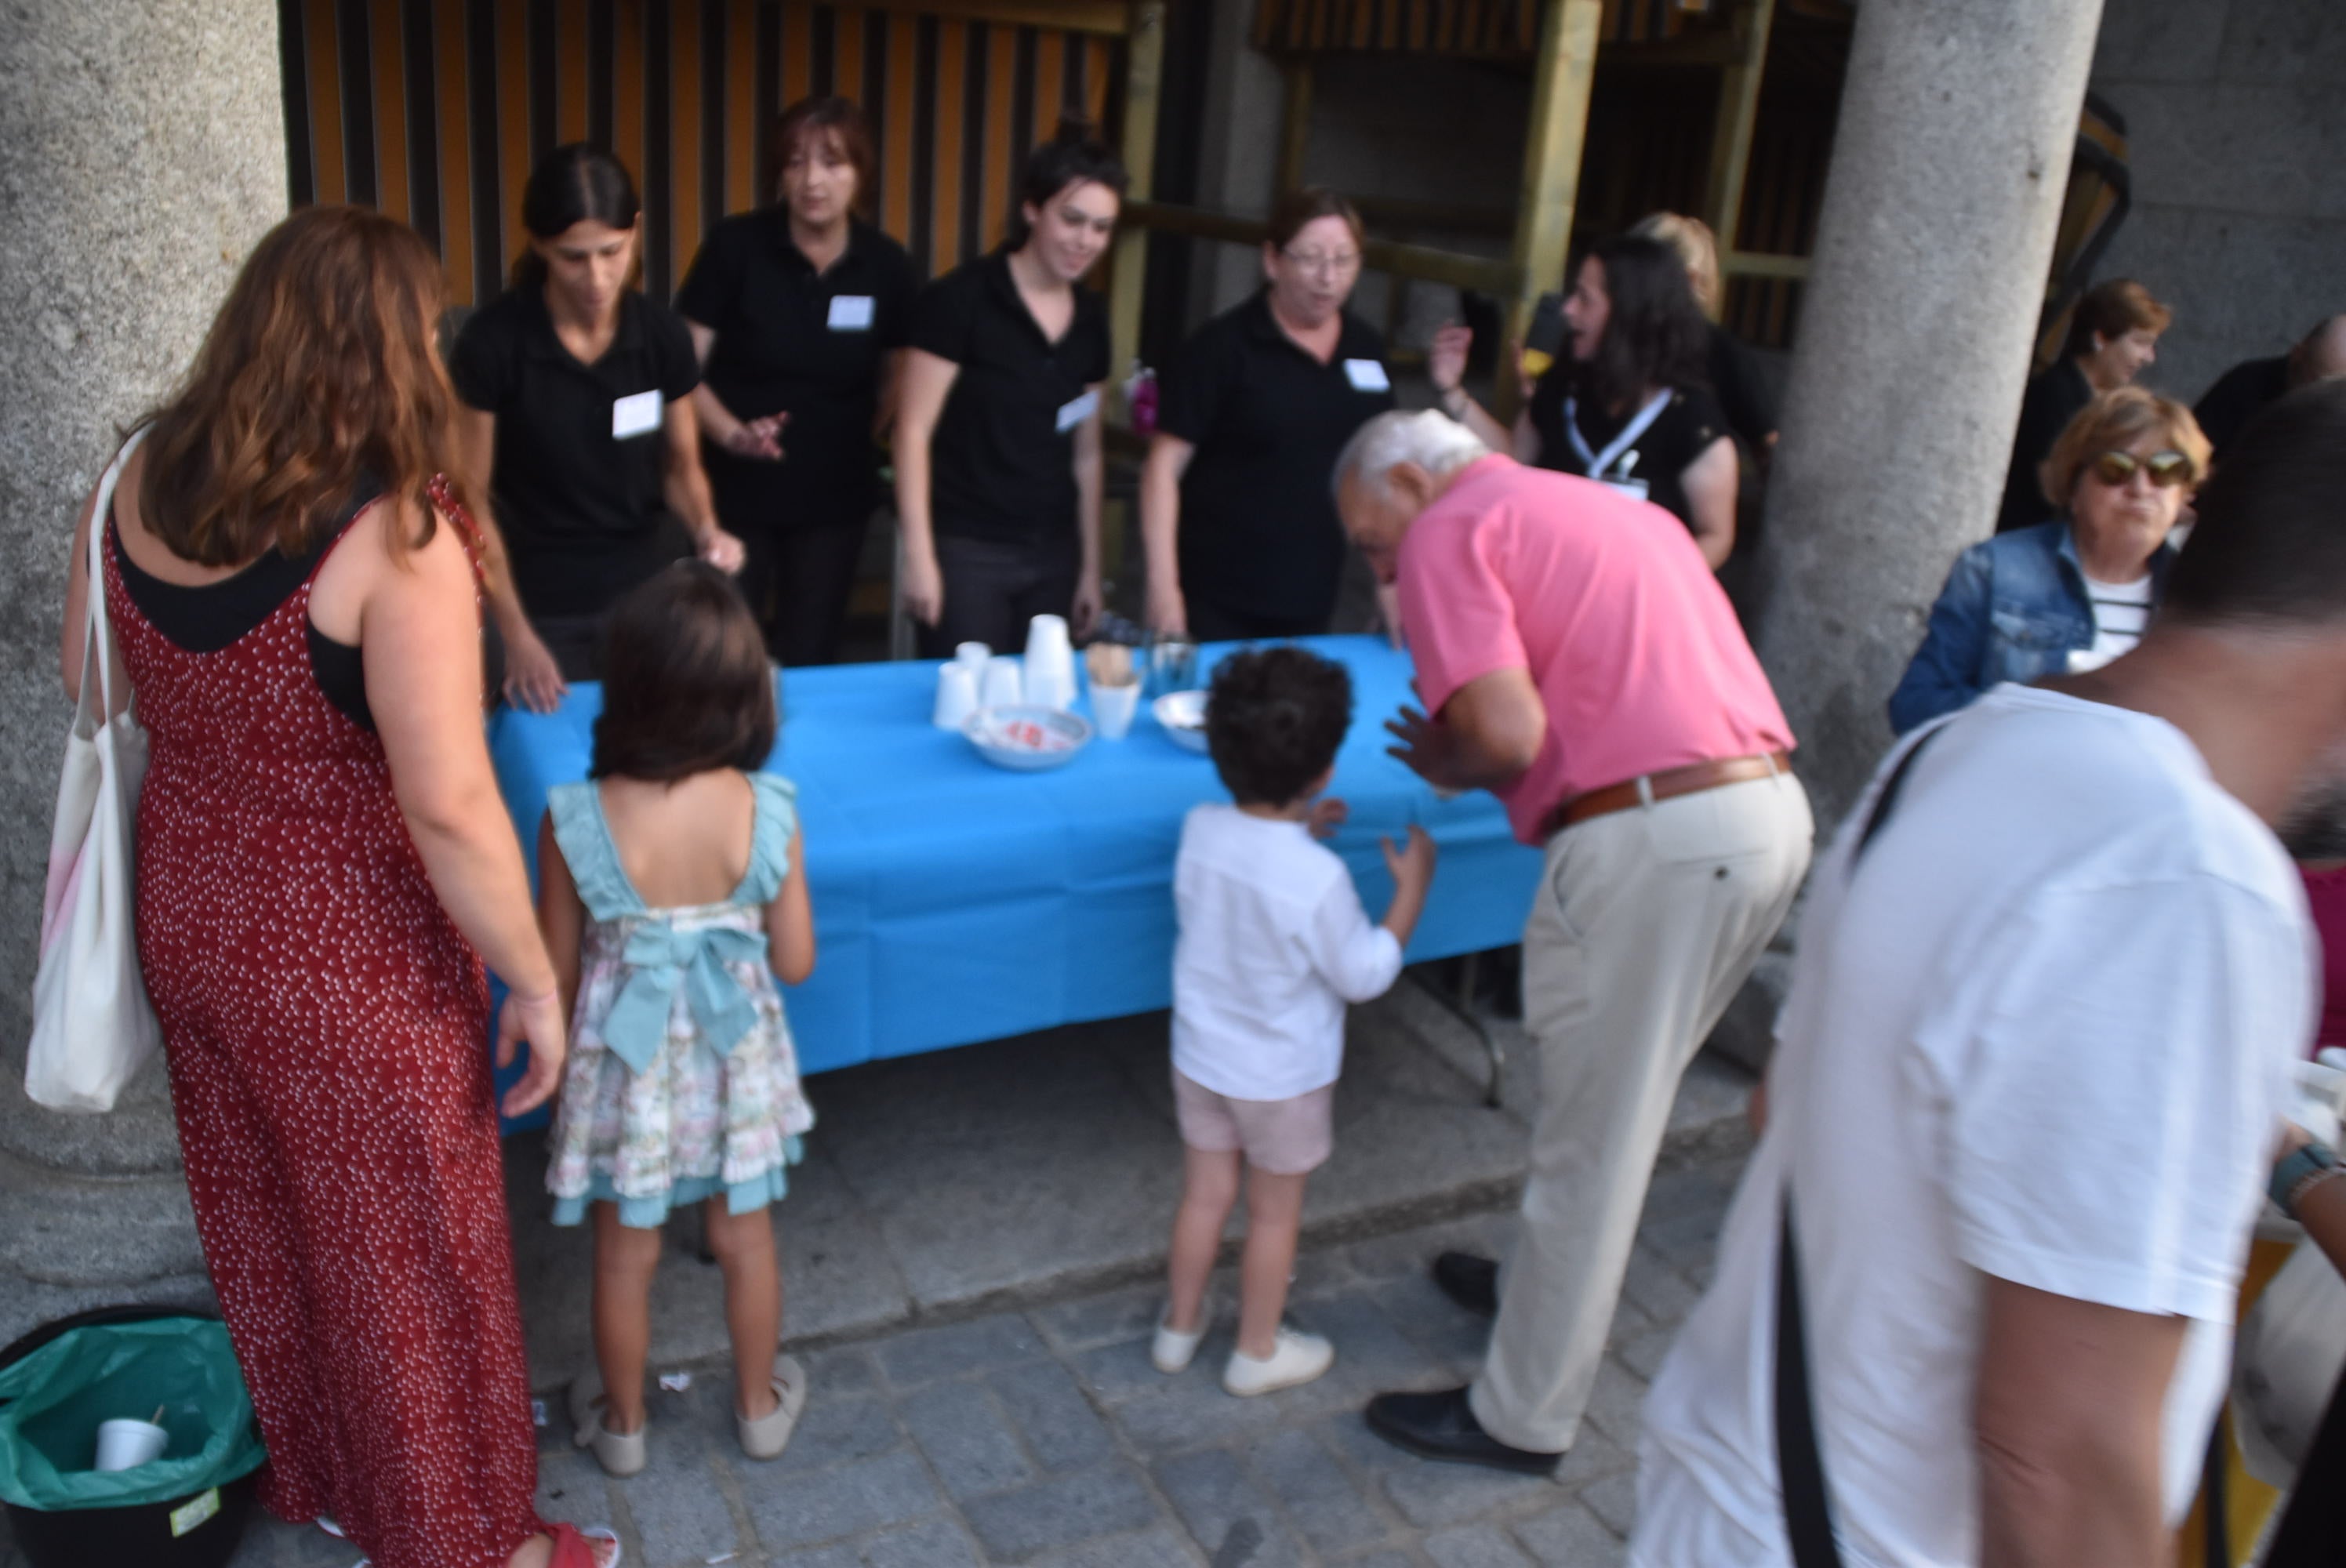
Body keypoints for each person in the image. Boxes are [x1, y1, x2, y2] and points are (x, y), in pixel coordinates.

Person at [1631, 381, 2346, 1567]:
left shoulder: (1967, 746)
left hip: (1728, 1505)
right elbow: (2059, 1471)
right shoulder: (2184, 881)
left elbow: (1785, 1109)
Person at [59, 206, 610, 1568]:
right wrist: (535, 980)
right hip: (345, 952)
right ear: (384, 346)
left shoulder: (134, 477)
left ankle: (314, 1480)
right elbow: (447, 800)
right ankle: (463, 1545)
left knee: (266, 1213)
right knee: (407, 1265)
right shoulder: (395, 535)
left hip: (192, 915)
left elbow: (92, 687)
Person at [1331, 410, 1812, 1473]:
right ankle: (1535, 1296)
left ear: (1413, 481)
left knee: (1597, 1136)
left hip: (1657, 838)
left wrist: (1457, 760)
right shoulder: (1593, 504)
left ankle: (1521, 1414)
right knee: (1607, 1112)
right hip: (1764, 816)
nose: (1387, 568)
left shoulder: (1452, 525)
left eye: (1375, 543)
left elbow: (1510, 735)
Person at [538, 563, 819, 1478]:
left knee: (626, 1251)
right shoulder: (767, 808)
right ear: (744, 692)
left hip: (628, 1065)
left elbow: (558, 971)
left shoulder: (573, 817)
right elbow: (795, 960)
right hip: (734, 1063)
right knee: (745, 1237)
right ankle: (756, 1407)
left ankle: (621, 1426)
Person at [1153, 647, 1436, 1397]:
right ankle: (1256, 1350)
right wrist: (1411, 893)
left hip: (1201, 1059)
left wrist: (1300, 828)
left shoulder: (1200, 829)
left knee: (1204, 1195)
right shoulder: (1318, 881)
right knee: (1273, 1216)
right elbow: (1366, 973)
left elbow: (1248, 886)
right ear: (1324, 772)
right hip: (1282, 1078)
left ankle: (1178, 1329)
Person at [452, 144, 743, 707]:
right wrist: (514, 634)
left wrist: (707, 527)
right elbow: (471, 501)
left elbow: (681, 468)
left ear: (635, 231)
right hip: (540, 602)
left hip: (647, 596)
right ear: (538, 244)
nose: (597, 276)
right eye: (573, 257)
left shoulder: (661, 336)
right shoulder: (495, 344)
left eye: (612, 252)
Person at [676, 97, 918, 666]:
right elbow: (680, 370)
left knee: (813, 649)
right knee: (722, 649)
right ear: (778, 173)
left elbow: (901, 374)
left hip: (835, 496)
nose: (813, 180)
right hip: (737, 489)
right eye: (795, 162)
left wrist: (861, 433)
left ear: (861, 174)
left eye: (833, 163)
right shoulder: (734, 248)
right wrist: (732, 432)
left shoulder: (887, 266)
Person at [896, 125, 1123, 656]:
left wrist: (1091, 570)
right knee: (966, 706)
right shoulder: (960, 300)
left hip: (1054, 551)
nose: (1084, 241)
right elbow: (912, 432)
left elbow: (1087, 455)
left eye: (1101, 228)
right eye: (1071, 220)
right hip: (968, 548)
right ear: (1031, 210)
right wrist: (921, 558)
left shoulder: (1092, 319)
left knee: (1040, 705)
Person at [1141, 189, 1396, 640]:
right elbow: (1162, 467)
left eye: (1344, 260)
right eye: (1311, 259)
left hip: (1313, 594)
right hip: (1217, 595)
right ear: (1273, 261)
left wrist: (1392, 580)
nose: (1328, 278)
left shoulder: (1366, 350)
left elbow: (1382, 475)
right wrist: (1163, 589)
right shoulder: (1221, 349)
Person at [1889, 387, 2210, 732]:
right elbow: (1916, 705)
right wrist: (2038, 716)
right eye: (2116, 468)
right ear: (2074, 486)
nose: (2140, 489)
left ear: (2184, 494)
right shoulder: (1995, 569)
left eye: (2165, 470)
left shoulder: (2202, 600)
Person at [1431, 235, 1738, 568]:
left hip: (1629, 608)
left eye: (1584, 299)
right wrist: (1452, 390)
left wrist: (1653, 585)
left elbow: (1715, 534)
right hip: (1549, 586)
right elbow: (1515, 456)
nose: (1568, 309)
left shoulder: (1691, 420)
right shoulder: (1563, 388)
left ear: (1628, 313)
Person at [1994, 275, 2170, 534]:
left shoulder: (2098, 399)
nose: (2148, 358)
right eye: (2140, 342)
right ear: (2100, 338)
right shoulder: (2056, 393)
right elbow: (2052, 486)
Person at [1628, 211, 1778, 459]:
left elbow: (1768, 449)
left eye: (1645, 270)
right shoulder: (1602, 338)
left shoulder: (1724, 354)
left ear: (1689, 279)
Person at [2195, 314, 2346, 460]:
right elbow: (2187, 453)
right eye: (2320, 384)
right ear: (2298, 354)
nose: (2327, 397)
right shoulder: (2244, 387)